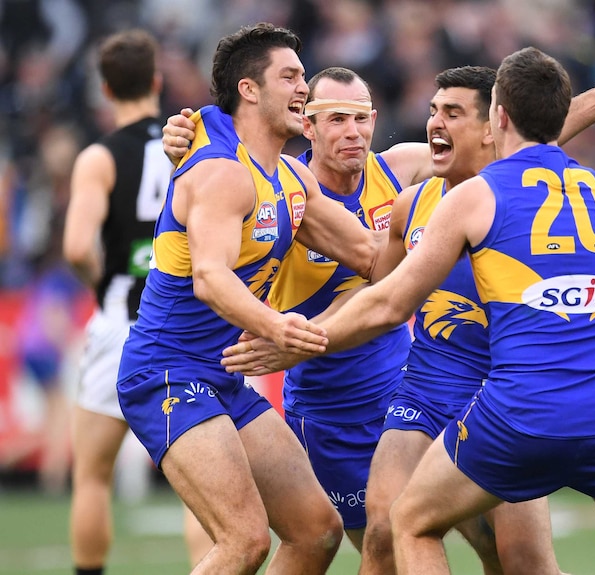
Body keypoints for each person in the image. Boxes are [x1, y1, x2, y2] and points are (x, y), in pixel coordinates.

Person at [162, 48, 595, 570]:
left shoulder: (402, 172)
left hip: (411, 387)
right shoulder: (283, 187)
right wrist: (189, 144)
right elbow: (225, 181)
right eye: (335, 119)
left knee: (507, 550)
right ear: (306, 123)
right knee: (367, 540)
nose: (352, 131)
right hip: (330, 405)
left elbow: (510, 148)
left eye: (361, 118)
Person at [115, 22, 389, 575]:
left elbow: (374, 255)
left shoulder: (290, 177)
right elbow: (210, 280)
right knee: (243, 542)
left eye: (303, 77)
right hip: (166, 374)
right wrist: (278, 327)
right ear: (248, 89)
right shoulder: (220, 172)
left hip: (221, 377)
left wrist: (452, 230)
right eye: (289, 76)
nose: (303, 89)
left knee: (317, 532)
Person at [62, 29, 174, 575]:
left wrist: (100, 280)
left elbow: (77, 246)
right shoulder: (195, 147)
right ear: (157, 81)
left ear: (106, 89)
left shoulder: (100, 157)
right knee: (208, 486)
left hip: (121, 324)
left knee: (92, 474)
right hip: (188, 329)